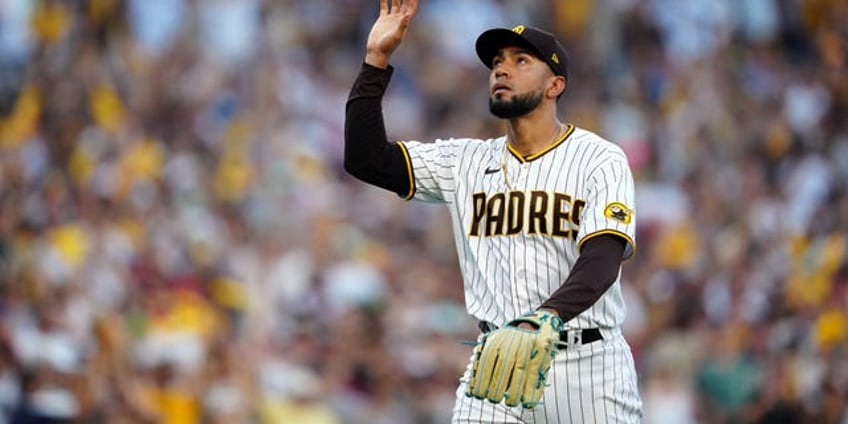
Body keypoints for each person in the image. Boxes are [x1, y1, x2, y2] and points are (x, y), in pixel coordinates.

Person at [344, 0, 643, 422]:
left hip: (588, 368)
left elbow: (602, 258)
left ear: (556, 84)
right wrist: (376, 60)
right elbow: (365, 158)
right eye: (497, 62)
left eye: (521, 61)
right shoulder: (463, 161)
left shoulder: (599, 158)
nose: (502, 69)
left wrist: (544, 318)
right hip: (496, 363)